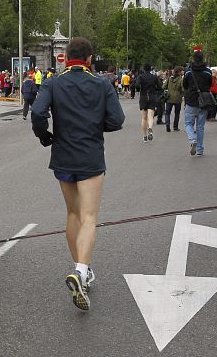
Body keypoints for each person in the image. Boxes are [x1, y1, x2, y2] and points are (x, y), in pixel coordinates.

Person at [30, 37, 125, 310]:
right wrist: (95, 126)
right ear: (89, 59)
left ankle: (80, 268)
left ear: (66, 57)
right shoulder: (102, 83)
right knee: (89, 217)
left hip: (63, 155)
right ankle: (82, 271)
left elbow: (37, 112)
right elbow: (117, 120)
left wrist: (45, 135)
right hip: (90, 156)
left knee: (72, 214)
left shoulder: (53, 82)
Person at [182, 51, 213, 156]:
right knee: (200, 126)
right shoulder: (208, 72)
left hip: (191, 100)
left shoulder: (188, 72)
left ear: (193, 58)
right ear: (203, 58)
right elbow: (210, 84)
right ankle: (200, 149)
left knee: (188, 123)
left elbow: (185, 85)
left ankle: (192, 139)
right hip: (204, 101)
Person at [135, 63, 162, 143]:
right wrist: (155, 89)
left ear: (143, 69)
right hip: (152, 96)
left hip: (143, 97)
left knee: (144, 118)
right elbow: (160, 87)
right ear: (150, 69)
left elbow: (137, 85)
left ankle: (144, 136)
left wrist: (139, 89)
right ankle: (150, 128)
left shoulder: (140, 76)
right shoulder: (154, 77)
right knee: (151, 116)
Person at [164, 67, 184, 132]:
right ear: (179, 72)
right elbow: (183, 89)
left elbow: (163, 87)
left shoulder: (169, 78)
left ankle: (167, 124)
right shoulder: (180, 79)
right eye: (182, 71)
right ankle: (175, 127)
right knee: (177, 113)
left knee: (167, 113)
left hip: (169, 97)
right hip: (178, 98)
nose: (182, 72)